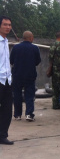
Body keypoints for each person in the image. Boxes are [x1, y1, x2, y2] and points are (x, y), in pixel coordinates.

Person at [10, 31, 41, 122]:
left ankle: (17, 115)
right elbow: (37, 61)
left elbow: (11, 61)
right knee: (29, 95)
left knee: (17, 95)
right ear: (31, 37)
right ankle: (29, 114)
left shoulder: (15, 47)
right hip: (30, 75)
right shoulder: (35, 48)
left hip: (17, 75)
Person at [0, 15, 14, 145]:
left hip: (7, 81)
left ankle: (2, 136)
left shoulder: (5, 42)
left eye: (9, 25)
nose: (8, 27)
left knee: (7, 110)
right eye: (5, 24)